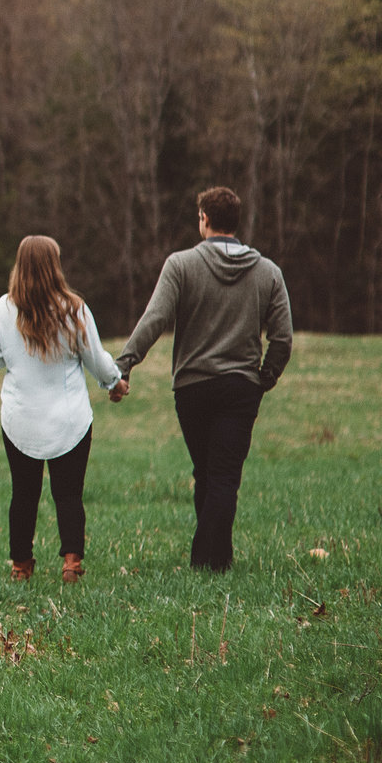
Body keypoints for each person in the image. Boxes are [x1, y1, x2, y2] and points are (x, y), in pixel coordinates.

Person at [117, 186, 294, 572]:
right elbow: (282, 337)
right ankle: (215, 561)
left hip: (193, 388)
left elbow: (155, 319)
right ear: (236, 222)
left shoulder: (180, 265)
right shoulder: (268, 272)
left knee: (208, 472)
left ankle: (208, 562)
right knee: (223, 475)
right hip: (240, 386)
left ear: (205, 220)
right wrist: (266, 376)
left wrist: (125, 364)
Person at [0, 235, 126, 584]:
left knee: (23, 493)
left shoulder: (3, 309)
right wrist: (115, 383)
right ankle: (71, 562)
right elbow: (96, 359)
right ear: (54, 266)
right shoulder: (74, 308)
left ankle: (21, 565)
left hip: (20, 420)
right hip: (69, 420)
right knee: (68, 493)